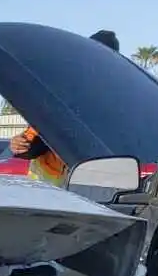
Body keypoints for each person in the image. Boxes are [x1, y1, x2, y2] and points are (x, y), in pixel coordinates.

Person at [10, 29, 121, 184]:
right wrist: (20, 145)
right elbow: (35, 139)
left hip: (87, 184)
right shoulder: (63, 93)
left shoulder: (116, 101)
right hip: (50, 186)